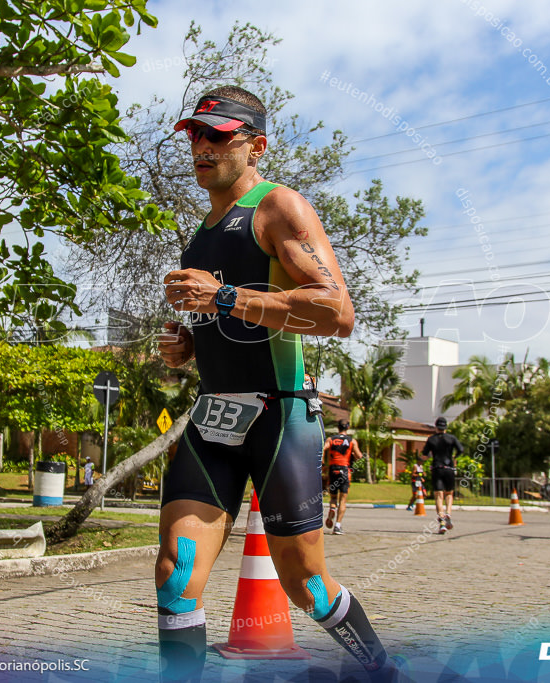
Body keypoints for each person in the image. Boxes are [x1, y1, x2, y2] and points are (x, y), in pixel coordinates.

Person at [157, 86, 400, 682]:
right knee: (175, 570)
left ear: (256, 145)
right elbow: (227, 322)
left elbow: (336, 313)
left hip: (281, 416)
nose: (202, 146)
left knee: (306, 584)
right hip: (215, 413)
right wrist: (187, 347)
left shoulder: (278, 207)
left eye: (217, 134)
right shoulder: (201, 233)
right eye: (194, 134)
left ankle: (380, 668)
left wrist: (226, 296)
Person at [421, 417, 463, 534]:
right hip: (449, 469)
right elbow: (461, 449)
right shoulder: (452, 438)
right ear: (445, 427)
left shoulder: (431, 439)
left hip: (437, 469)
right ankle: (448, 513)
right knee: (449, 494)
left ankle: (442, 522)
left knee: (438, 495)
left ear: (436, 427)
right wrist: (454, 458)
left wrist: (421, 462)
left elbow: (425, 454)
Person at [323, 419, 364, 535]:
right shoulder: (352, 441)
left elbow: (323, 449)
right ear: (348, 428)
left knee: (333, 498)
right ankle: (337, 525)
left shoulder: (331, 439)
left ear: (338, 428)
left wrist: (323, 463)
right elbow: (359, 456)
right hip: (345, 471)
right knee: (343, 499)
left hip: (333, 470)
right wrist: (353, 456)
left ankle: (332, 508)